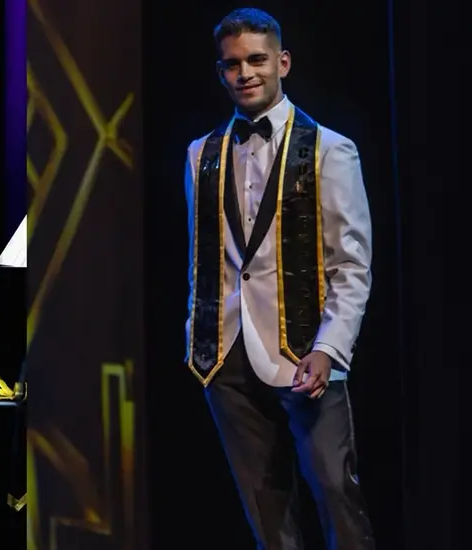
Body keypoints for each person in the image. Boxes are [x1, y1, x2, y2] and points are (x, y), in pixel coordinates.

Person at [183, 8, 376, 549]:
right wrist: (198, 335)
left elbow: (351, 264)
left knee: (336, 494)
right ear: (221, 72)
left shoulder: (330, 149)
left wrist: (330, 348)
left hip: (305, 352)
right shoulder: (201, 154)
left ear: (282, 62)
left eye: (257, 60)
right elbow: (205, 257)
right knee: (267, 514)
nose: (245, 73)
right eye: (233, 64)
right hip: (225, 356)